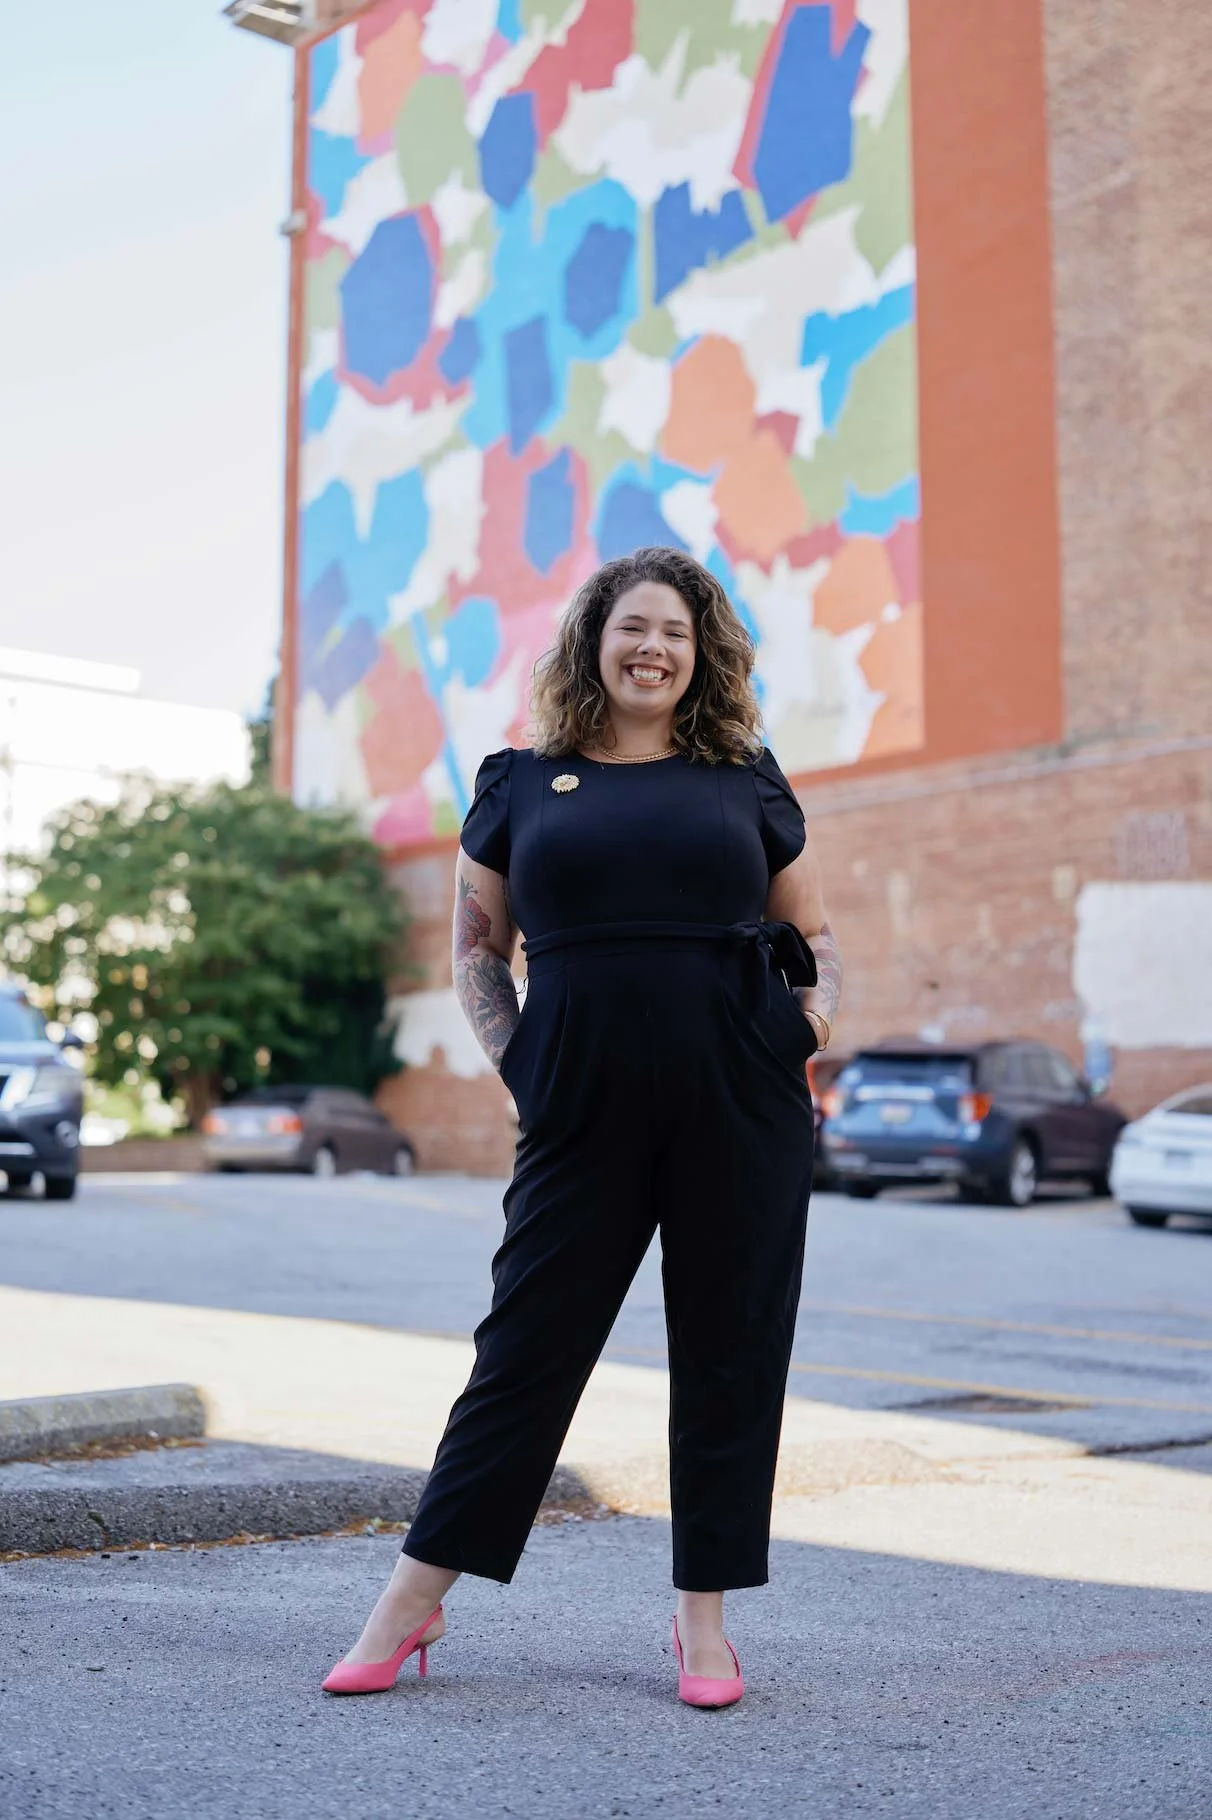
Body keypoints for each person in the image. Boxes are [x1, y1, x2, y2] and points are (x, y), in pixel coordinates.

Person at [323, 546, 843, 1708]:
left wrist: (799, 1033)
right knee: (525, 1351)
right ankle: (411, 1599)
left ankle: (701, 1621)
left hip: (739, 1095)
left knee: (729, 1349)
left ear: (699, 653)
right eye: (632, 627)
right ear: (592, 643)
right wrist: (525, 1063)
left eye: (676, 631)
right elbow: (475, 948)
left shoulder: (744, 776)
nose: (653, 647)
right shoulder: (520, 780)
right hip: (580, 1099)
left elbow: (813, 933)